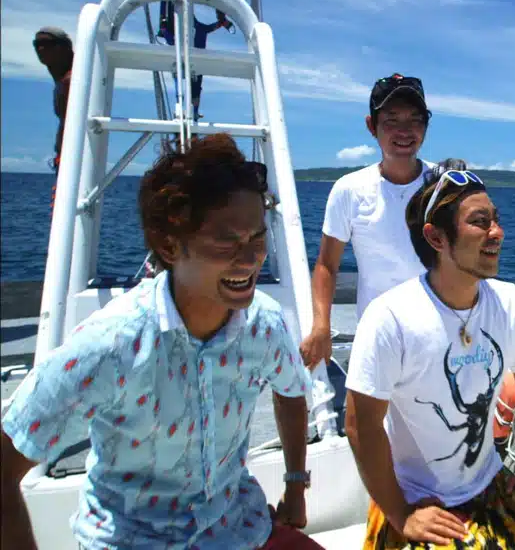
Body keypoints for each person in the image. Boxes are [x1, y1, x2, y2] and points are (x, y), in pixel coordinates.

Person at [0, 134, 324, 550]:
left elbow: (291, 390)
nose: (250, 259)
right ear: (170, 246)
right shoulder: (110, 345)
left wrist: (295, 485)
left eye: (257, 238)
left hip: (237, 528)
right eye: (226, 241)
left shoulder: (264, 324)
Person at [344, 167, 515, 549]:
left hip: (491, 482)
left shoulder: (511, 304)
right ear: (436, 237)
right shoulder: (391, 317)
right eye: (480, 222)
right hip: (417, 500)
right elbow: (360, 424)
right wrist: (401, 515)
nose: (498, 232)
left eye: (496, 219)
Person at [299, 74, 437, 437]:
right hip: (377, 335)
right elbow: (326, 264)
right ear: (371, 126)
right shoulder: (349, 190)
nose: (404, 131)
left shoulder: (442, 185)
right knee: (368, 430)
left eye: (414, 120)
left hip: (439, 332)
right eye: (391, 120)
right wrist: (321, 327)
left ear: (426, 125)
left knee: (436, 431)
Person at [157, 0, 232, 119]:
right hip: (196, 62)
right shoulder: (200, 29)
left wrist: (163, 27)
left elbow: (166, 34)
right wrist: (223, 22)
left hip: (186, 60)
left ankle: (184, 108)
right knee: (193, 86)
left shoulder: (183, 31)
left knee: (181, 80)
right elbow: (212, 27)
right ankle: (192, 110)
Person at [33, 27, 73, 177]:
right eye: (37, 44)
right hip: (66, 160)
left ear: (65, 47)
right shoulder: (62, 81)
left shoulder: (71, 81)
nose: (40, 49)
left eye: (48, 43)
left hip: (73, 161)